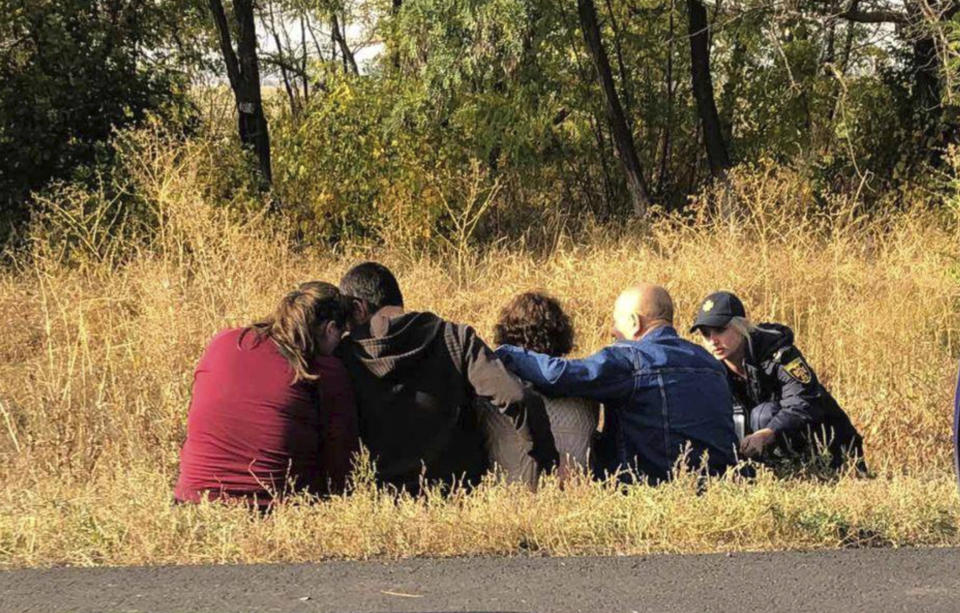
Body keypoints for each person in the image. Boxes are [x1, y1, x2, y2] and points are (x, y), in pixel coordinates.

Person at [337, 262, 558, 494]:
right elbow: (518, 396)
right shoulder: (454, 337)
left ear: (358, 308)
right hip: (457, 493)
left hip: (381, 496)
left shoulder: (344, 354)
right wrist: (549, 463)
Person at [495, 284, 738, 484]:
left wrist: (501, 353)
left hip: (652, 486)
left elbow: (556, 375)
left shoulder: (629, 359)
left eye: (615, 321)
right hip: (718, 484)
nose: (612, 330)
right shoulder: (711, 364)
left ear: (634, 322)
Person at [174, 282, 359, 508]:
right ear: (331, 329)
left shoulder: (225, 341)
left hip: (191, 500)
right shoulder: (324, 370)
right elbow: (341, 460)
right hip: (268, 509)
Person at [690, 290, 865, 470]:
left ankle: (790, 472)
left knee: (762, 414)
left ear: (741, 327)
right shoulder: (711, 369)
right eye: (705, 333)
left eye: (720, 329)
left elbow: (803, 403)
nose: (713, 340)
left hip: (833, 451)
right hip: (767, 453)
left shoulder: (779, 354)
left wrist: (767, 433)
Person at [478, 292, 599, 489]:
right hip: (575, 502)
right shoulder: (587, 394)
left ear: (506, 333)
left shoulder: (491, 394)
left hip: (506, 500)